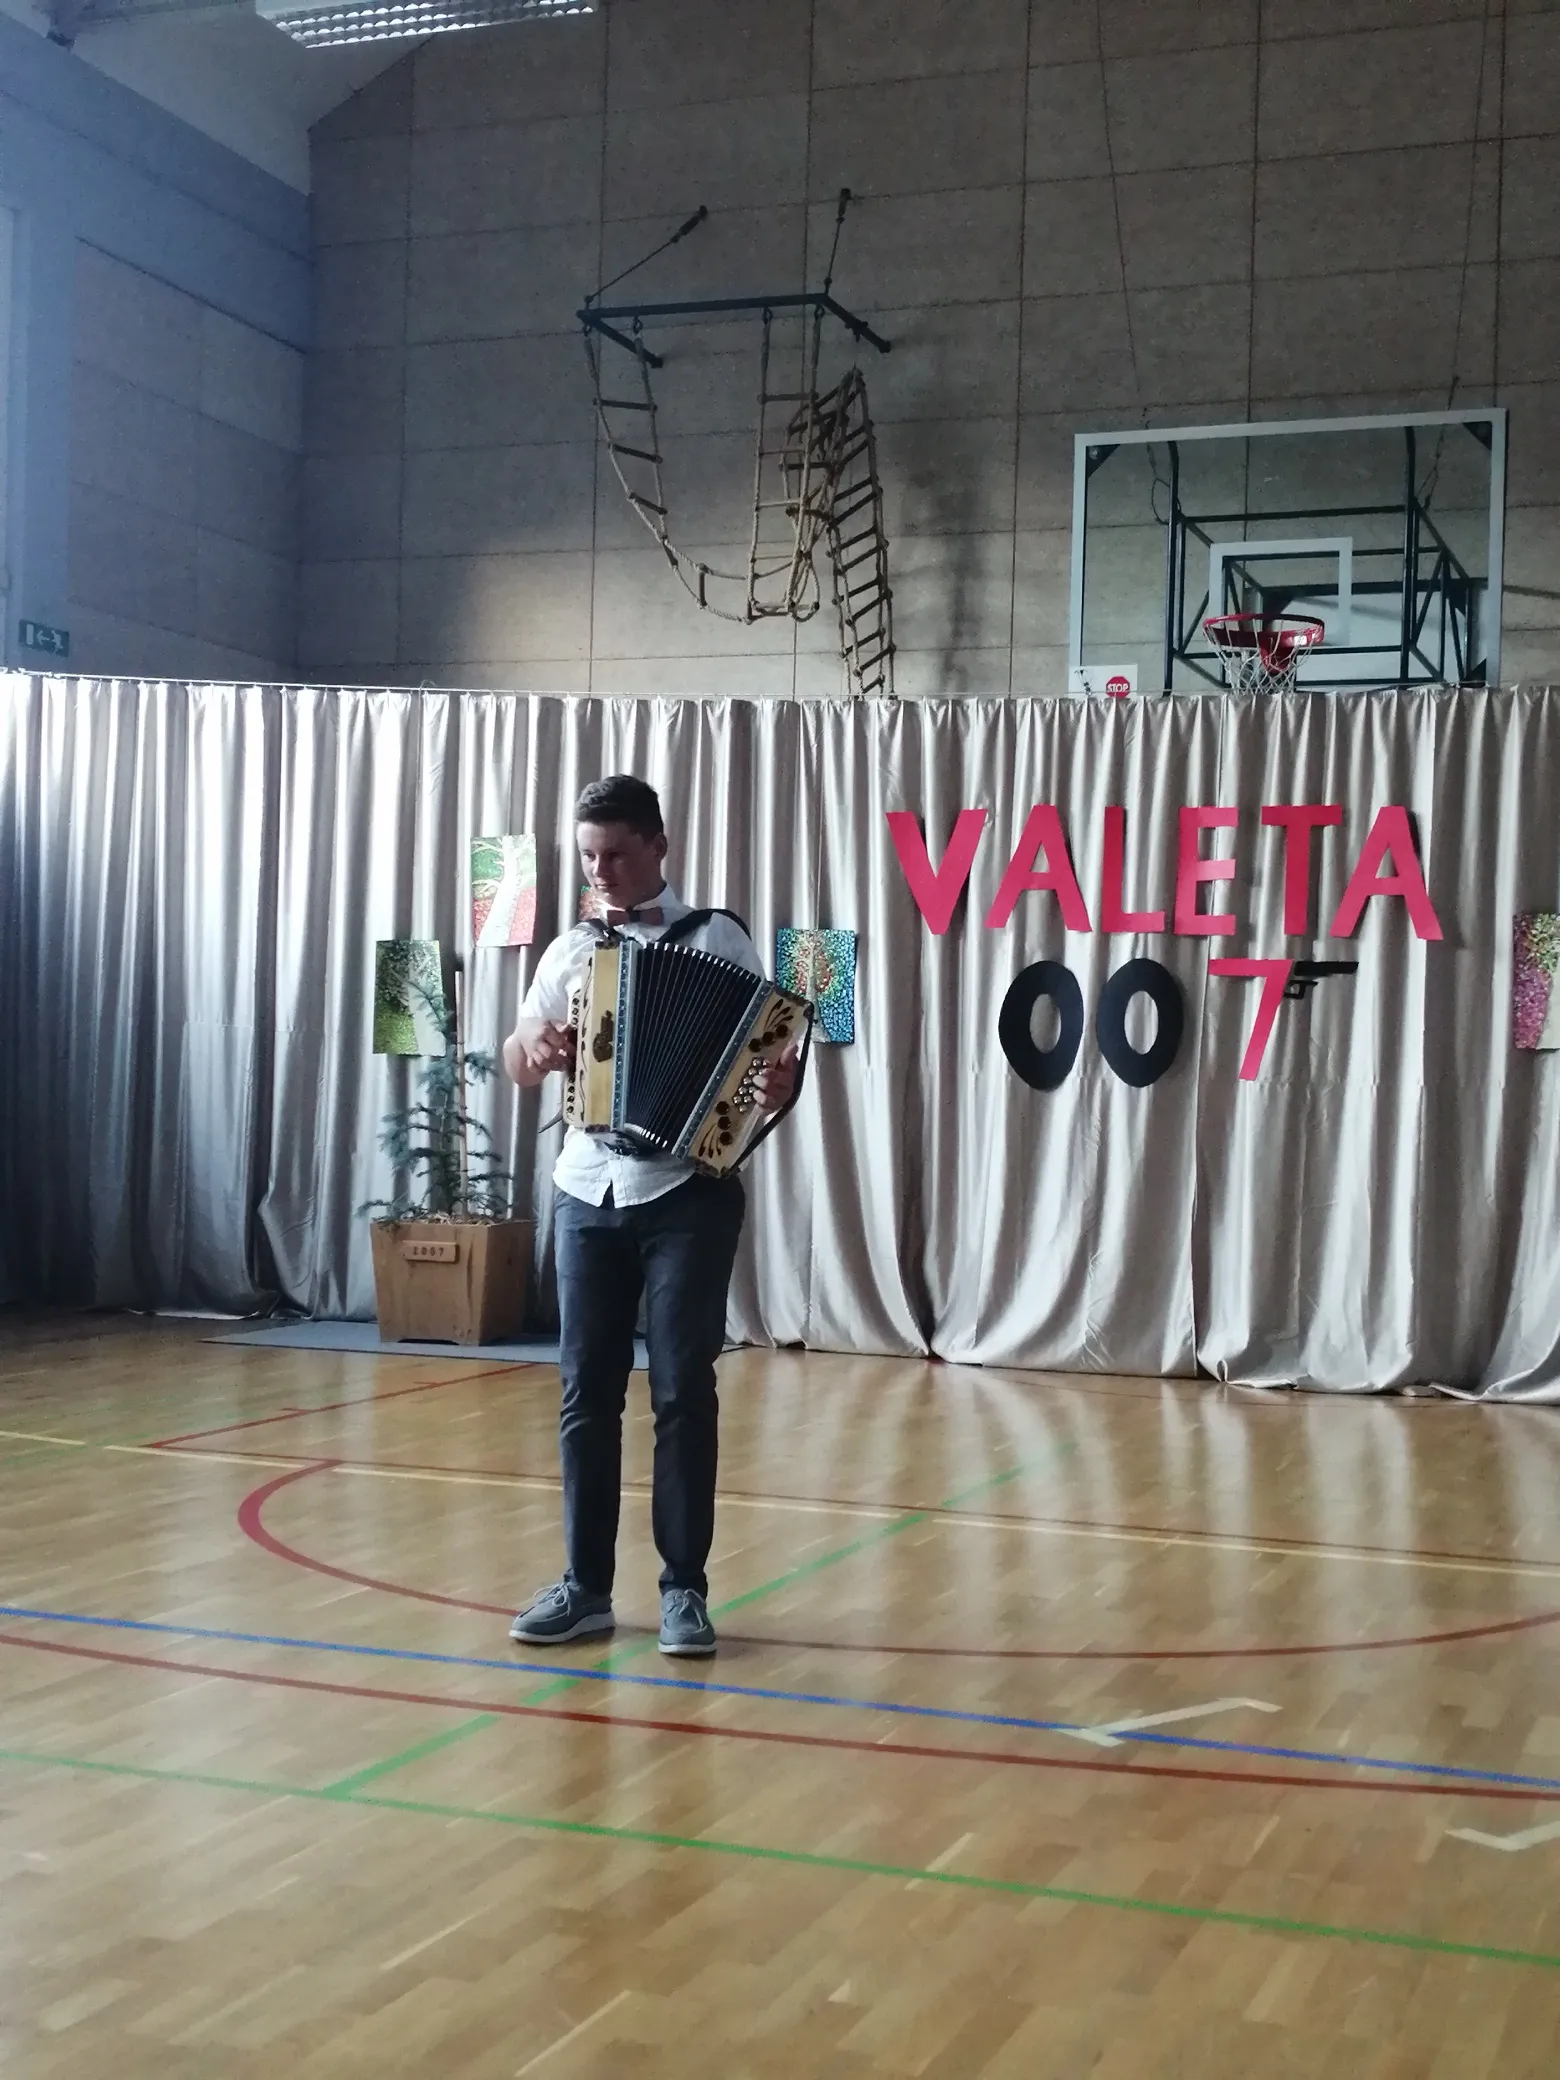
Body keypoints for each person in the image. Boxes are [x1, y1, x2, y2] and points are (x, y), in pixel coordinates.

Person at [503, 775, 799, 1658]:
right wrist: (533, 1048)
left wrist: (777, 1087)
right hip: (586, 1185)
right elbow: (519, 1054)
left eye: (616, 855)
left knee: (682, 1390)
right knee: (584, 1392)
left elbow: (766, 1063)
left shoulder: (718, 938)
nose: (600, 873)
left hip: (687, 1190)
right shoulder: (568, 950)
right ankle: (585, 1586)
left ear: (659, 846)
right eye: (588, 857)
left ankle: (683, 1590)